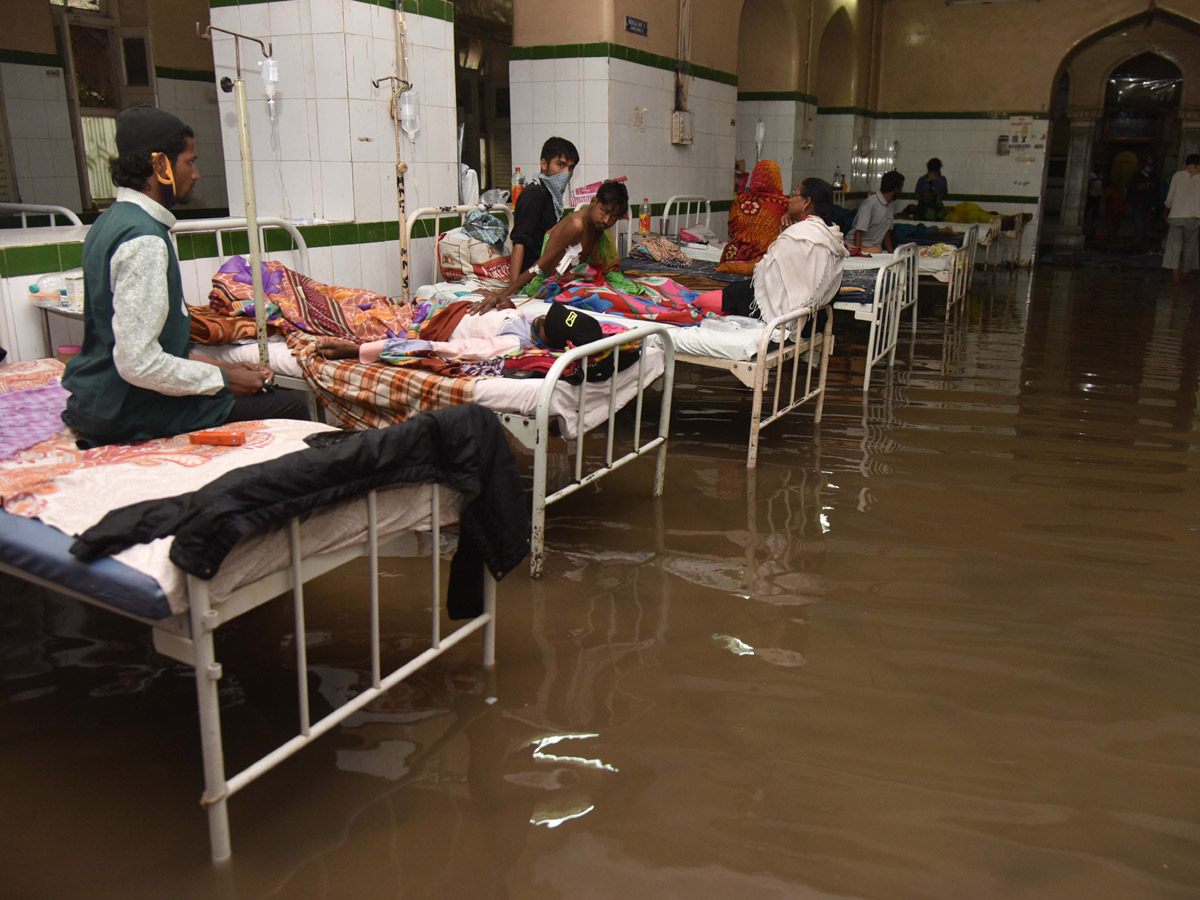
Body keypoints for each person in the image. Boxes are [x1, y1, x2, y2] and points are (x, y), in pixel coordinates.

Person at [61, 105, 309, 448]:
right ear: (161, 165)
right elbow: (138, 364)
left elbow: (147, 345)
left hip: (101, 398)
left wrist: (223, 372)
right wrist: (222, 379)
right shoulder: (144, 238)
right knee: (289, 407)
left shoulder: (111, 221)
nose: (195, 175)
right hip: (127, 408)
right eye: (189, 162)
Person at [693, 178, 848, 323]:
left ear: (806, 202)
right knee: (732, 293)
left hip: (788, 314)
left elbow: (768, 272)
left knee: (717, 298)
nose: (789, 198)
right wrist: (787, 229)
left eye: (794, 194)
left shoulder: (801, 233)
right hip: (815, 317)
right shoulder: (827, 231)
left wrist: (789, 231)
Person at [468, 180, 629, 314]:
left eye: (614, 217)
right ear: (593, 201)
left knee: (623, 295)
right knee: (613, 301)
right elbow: (540, 265)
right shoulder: (575, 225)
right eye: (604, 211)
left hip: (576, 283)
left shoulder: (597, 227)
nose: (607, 220)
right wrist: (505, 294)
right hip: (553, 287)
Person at [476, 136, 579, 311]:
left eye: (570, 168)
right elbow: (520, 242)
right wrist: (512, 288)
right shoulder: (535, 195)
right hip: (532, 277)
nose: (566, 173)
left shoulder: (551, 197)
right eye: (560, 165)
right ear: (544, 164)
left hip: (547, 271)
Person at [1163, 153, 1200, 286]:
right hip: (1193, 217)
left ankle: (1175, 275)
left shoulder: (1177, 176)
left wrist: (1166, 211)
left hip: (1176, 215)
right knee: (1190, 246)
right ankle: (1186, 273)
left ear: (1185, 165)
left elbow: (1169, 199)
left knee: (1174, 245)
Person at [852, 170, 905, 252]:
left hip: (875, 249)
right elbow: (858, 232)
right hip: (859, 247)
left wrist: (892, 254)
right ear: (896, 189)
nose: (901, 191)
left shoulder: (890, 206)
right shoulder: (870, 203)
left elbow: (886, 233)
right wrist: (858, 254)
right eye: (901, 188)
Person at [1126, 153, 1159, 252]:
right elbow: (1132, 190)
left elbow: (1156, 191)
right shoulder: (1136, 176)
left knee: (1145, 229)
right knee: (1140, 228)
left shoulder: (1155, 175)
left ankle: (1141, 248)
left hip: (1149, 206)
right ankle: (1136, 248)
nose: (1149, 162)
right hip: (1139, 205)